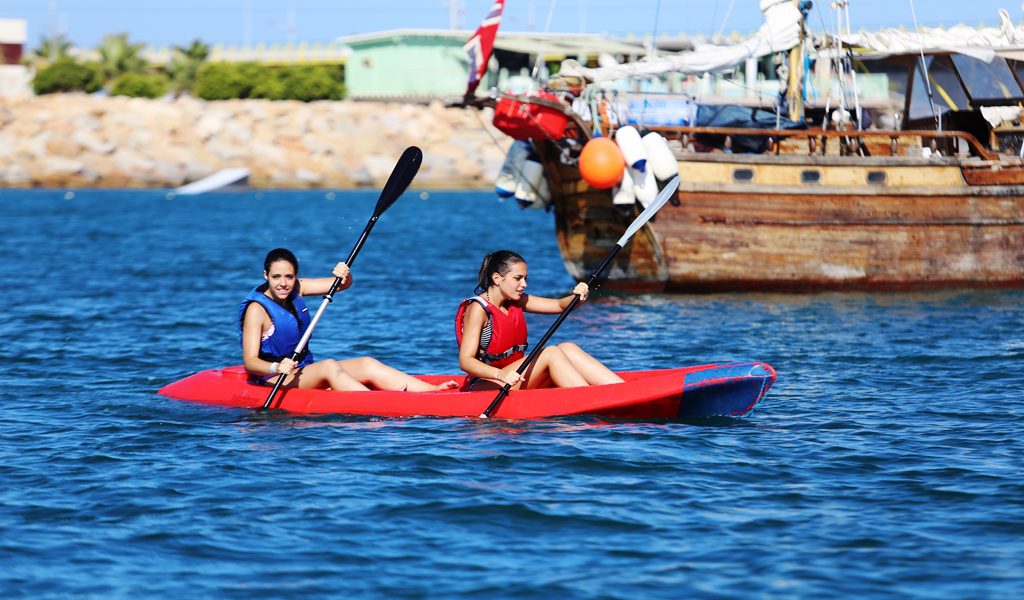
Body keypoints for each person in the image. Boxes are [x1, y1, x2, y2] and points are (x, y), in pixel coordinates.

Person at [240, 248, 457, 392]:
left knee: (366, 364)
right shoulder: (256, 310)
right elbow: (251, 362)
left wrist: (345, 275)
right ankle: (378, 404)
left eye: (289, 277)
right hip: (273, 378)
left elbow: (341, 284)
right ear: (265, 275)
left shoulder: (298, 288)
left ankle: (431, 392)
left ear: (296, 276)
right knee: (328, 366)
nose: (283, 284)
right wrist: (276, 367)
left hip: (302, 370)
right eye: (276, 277)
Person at [455, 250, 625, 390]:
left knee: (567, 348)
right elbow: (466, 361)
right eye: (518, 278)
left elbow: (559, 306)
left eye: (525, 279)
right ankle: (591, 400)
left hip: (514, 377)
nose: (524, 284)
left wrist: (577, 297)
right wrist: (501, 374)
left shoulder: (515, 300)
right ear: (497, 278)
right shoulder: (478, 308)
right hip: (487, 384)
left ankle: (621, 390)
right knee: (550, 353)